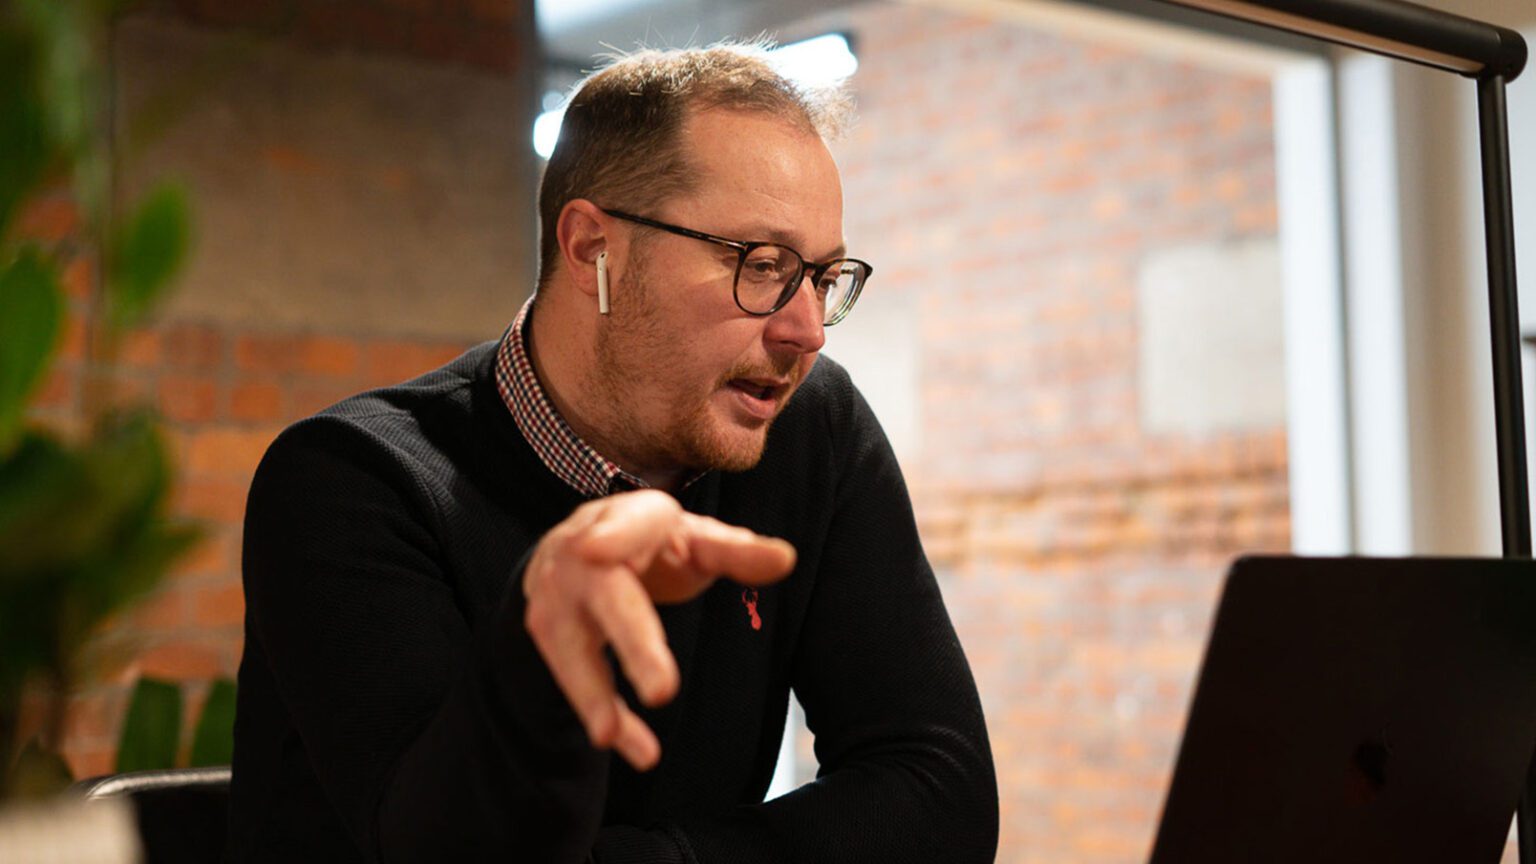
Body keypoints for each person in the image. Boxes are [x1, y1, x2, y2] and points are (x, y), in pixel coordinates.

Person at [229, 43, 998, 863]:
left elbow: (940, 796)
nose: (805, 328)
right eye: (762, 264)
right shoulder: (353, 484)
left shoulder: (811, 429)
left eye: (823, 275)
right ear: (594, 248)